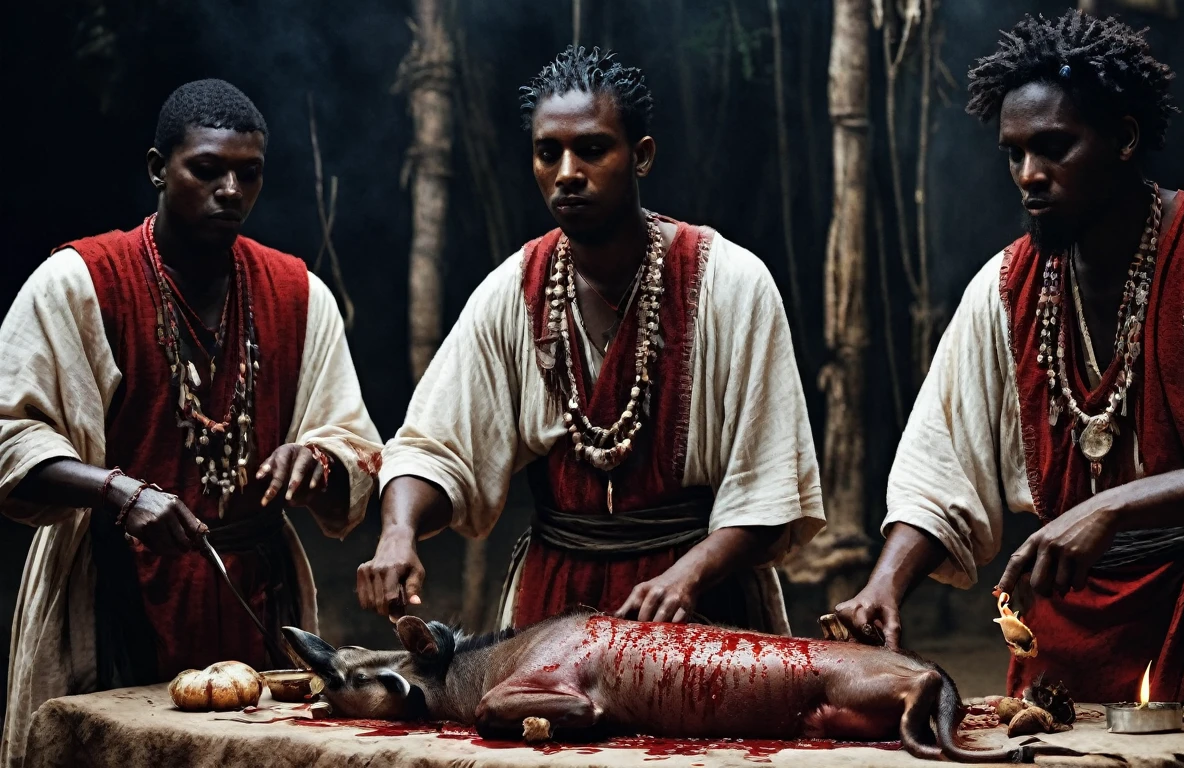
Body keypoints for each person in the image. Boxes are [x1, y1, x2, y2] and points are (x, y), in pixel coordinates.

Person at [836, 12, 1184, 708]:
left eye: (1054, 148)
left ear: (1126, 139)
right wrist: (884, 585)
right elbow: (939, 469)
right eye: (1013, 155)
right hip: (1062, 646)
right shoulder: (1004, 290)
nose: (1029, 175)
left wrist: (1114, 509)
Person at [359, 46, 824, 633]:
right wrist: (398, 532)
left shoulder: (731, 284)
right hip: (553, 607)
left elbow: (771, 481)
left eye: (593, 149)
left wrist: (689, 575)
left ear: (642, 156)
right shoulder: (513, 290)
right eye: (548, 153)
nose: (567, 172)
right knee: (534, 725)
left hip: (708, 607)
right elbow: (434, 444)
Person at [0, 79, 382, 764]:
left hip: (255, 595)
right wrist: (118, 492)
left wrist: (319, 462)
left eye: (249, 173)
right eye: (207, 169)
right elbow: (12, 433)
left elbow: (352, 446)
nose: (231, 189)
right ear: (157, 168)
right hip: (111, 589)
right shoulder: (79, 282)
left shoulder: (298, 293)